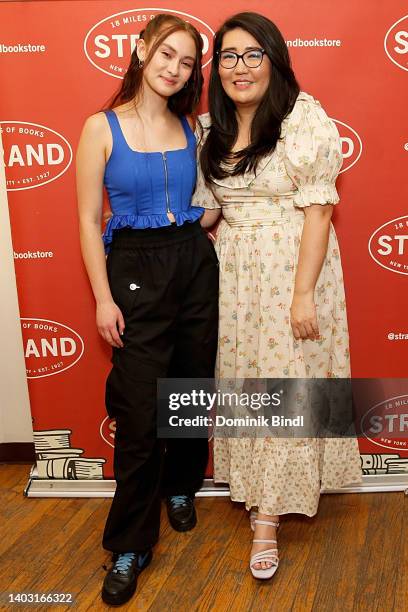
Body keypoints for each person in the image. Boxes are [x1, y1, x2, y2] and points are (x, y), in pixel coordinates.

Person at [192, 12, 362, 580]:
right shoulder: (209, 127)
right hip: (236, 270)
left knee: (288, 386)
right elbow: (213, 210)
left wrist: (303, 294)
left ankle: (267, 518)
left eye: (252, 54)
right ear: (217, 67)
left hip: (292, 265)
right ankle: (257, 489)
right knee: (247, 380)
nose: (239, 68)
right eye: (228, 56)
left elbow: (319, 211)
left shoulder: (302, 118)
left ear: (274, 59)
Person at [76, 15, 218, 606]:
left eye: (187, 63)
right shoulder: (100, 127)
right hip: (132, 271)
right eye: (166, 55)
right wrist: (104, 296)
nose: (174, 69)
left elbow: (203, 205)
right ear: (140, 51)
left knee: (188, 388)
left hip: (191, 262)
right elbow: (88, 220)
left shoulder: (191, 128)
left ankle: (182, 485)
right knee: (138, 413)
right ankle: (131, 543)